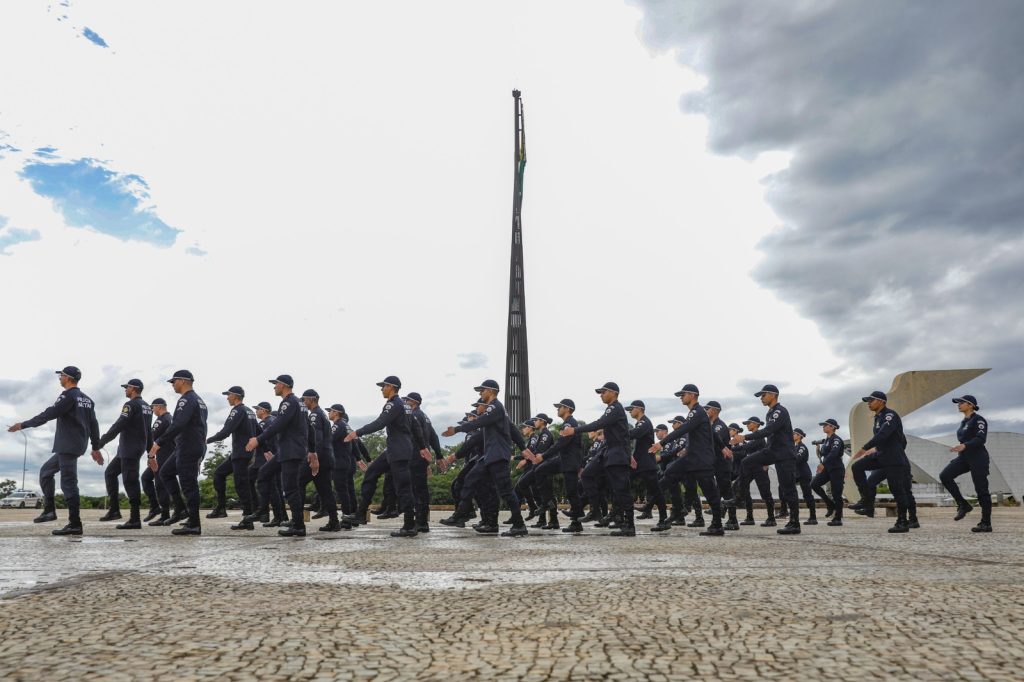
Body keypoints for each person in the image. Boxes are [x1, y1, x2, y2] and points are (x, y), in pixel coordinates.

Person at [8, 366, 101, 536]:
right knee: (46, 472)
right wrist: (95, 447)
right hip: (74, 445)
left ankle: (75, 524)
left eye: (62, 375)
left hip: (68, 445)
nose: (60, 378)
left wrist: (23, 424)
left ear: (69, 378)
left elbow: (49, 413)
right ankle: (49, 510)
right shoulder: (87, 400)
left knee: (69, 483)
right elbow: (94, 425)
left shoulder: (68, 396)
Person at [440, 379, 528, 537]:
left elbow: (480, 422)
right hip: (490, 456)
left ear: (492, 391)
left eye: (483, 390)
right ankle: (461, 515)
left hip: (498, 455)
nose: (480, 393)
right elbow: (513, 429)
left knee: (506, 492)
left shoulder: (495, 407)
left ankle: (519, 525)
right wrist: (524, 448)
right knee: (469, 480)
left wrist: (457, 429)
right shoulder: (498, 410)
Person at [345, 376, 431, 538]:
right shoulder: (405, 406)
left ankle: (409, 525)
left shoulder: (394, 404)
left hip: (398, 451)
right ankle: (360, 513)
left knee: (403, 488)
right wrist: (422, 447)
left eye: (383, 386)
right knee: (371, 473)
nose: (381, 389)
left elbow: (380, 423)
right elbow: (416, 427)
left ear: (391, 387)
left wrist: (357, 432)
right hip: (395, 449)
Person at [650, 384, 724, 536]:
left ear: (692, 395)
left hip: (702, 459)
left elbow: (683, 429)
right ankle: (671, 510)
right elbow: (712, 433)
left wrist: (661, 443)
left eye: (683, 395)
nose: (681, 398)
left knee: (709, 491)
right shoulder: (699, 413)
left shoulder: (696, 412)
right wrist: (723, 447)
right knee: (670, 474)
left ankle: (717, 524)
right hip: (692, 457)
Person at [562, 382, 634, 537]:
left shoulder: (616, 408)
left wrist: (574, 430)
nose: (601, 395)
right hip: (608, 451)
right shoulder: (611, 409)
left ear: (613, 393)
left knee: (621, 489)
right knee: (587, 475)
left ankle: (629, 525)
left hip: (618, 453)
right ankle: (595, 511)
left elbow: (600, 424)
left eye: (603, 392)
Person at [730, 384, 800, 535]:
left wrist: (744, 437)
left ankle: (794, 523)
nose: (761, 398)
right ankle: (740, 497)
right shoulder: (770, 413)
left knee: (788, 488)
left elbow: (769, 430)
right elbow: (771, 437)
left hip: (785, 454)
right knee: (747, 462)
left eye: (763, 395)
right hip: (773, 451)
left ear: (772, 395)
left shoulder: (779, 411)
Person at [243, 375, 308, 536]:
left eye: (276, 384)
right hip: (287, 450)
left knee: (291, 488)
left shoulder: (289, 402)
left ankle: (298, 526)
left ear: (283, 385)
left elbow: (279, 424)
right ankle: (263, 510)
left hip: (291, 451)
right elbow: (309, 429)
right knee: (264, 474)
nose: (274, 387)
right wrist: (312, 451)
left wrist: (258, 439)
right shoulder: (299, 403)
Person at [149, 370, 209, 536]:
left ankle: (194, 523)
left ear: (182, 381)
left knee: (189, 484)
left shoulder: (186, 399)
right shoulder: (199, 400)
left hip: (188, 446)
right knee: (165, 472)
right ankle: (182, 510)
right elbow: (203, 425)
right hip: (188, 445)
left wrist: (158, 443)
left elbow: (178, 425)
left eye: (174, 381)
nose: (172, 384)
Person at [850, 391, 915, 534]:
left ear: (882, 402)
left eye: (871, 400)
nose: (868, 403)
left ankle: (903, 522)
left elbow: (883, 435)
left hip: (893, 458)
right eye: (868, 401)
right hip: (881, 455)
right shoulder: (878, 418)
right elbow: (882, 439)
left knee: (897, 489)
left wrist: (864, 448)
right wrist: (874, 449)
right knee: (857, 467)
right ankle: (866, 501)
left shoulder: (890, 415)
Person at [96, 378, 153, 529]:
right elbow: (149, 432)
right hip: (129, 449)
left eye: (126, 387)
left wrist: (101, 442)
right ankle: (114, 510)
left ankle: (135, 519)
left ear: (133, 389)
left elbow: (119, 425)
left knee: (130, 481)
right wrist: (149, 452)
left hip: (130, 448)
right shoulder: (147, 407)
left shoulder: (130, 405)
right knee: (110, 473)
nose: (125, 390)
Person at [206, 386, 258, 527]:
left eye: (228, 395)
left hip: (241, 453)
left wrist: (206, 440)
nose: (227, 397)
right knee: (219, 474)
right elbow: (259, 432)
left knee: (241, 485)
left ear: (235, 396)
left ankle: (248, 519)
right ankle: (221, 508)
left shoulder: (237, 410)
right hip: (239, 453)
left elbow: (225, 432)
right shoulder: (250, 411)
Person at [939, 395, 992, 533]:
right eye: (958, 403)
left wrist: (965, 445)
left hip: (978, 457)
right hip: (964, 457)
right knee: (945, 476)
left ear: (971, 405)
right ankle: (963, 504)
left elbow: (981, 439)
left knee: (981, 490)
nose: (959, 404)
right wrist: (962, 448)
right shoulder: (964, 422)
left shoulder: (979, 420)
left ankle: (986, 523)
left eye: (961, 402)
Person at [299, 389, 344, 532]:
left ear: (311, 399)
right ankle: (334, 521)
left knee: (297, 483)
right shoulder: (322, 415)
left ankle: (296, 521)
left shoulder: (314, 415)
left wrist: (313, 457)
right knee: (325, 491)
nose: (303, 402)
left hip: (319, 458)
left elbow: (316, 439)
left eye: (304, 399)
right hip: (327, 457)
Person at [404, 392, 445, 533]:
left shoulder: (415, 415)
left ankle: (420, 522)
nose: (404, 402)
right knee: (421, 489)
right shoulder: (425, 417)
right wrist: (438, 455)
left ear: (413, 403)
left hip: (415, 455)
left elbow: (417, 436)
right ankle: (422, 521)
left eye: (406, 400)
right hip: (422, 457)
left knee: (416, 490)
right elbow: (434, 437)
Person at [625, 400, 668, 530]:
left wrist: (617, 433)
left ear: (639, 409)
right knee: (622, 485)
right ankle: (619, 517)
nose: (630, 411)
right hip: (638, 463)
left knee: (656, 492)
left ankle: (663, 519)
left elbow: (633, 434)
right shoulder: (639, 423)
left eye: (631, 409)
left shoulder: (645, 422)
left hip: (647, 464)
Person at [730, 417, 776, 526]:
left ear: (756, 424)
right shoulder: (754, 438)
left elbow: (748, 446)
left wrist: (731, 448)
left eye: (749, 423)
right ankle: (749, 517)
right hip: (750, 467)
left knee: (765, 493)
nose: (747, 425)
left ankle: (771, 518)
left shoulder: (759, 438)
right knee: (740, 487)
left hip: (759, 468)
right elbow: (746, 448)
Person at [810, 418, 845, 526]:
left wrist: (823, 464)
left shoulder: (836, 440)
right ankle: (830, 504)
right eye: (823, 425)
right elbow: (823, 454)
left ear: (833, 427)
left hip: (836, 469)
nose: (823, 427)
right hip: (827, 469)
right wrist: (818, 448)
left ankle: (837, 518)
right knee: (814, 484)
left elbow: (834, 453)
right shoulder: (826, 440)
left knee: (836, 494)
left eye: (826, 425)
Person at [141, 398, 171, 523]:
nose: (152, 410)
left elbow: (151, 436)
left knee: (160, 485)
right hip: (167, 454)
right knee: (146, 478)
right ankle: (155, 507)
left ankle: (165, 514)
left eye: (153, 407)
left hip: (164, 456)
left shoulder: (161, 420)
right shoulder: (170, 418)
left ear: (159, 407)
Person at [793, 428, 818, 525]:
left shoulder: (802, 447)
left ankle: (813, 517)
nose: (792, 435)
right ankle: (784, 511)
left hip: (804, 474)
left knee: (807, 495)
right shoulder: (794, 447)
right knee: (783, 488)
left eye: (794, 434)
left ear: (799, 436)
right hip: (796, 474)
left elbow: (797, 459)